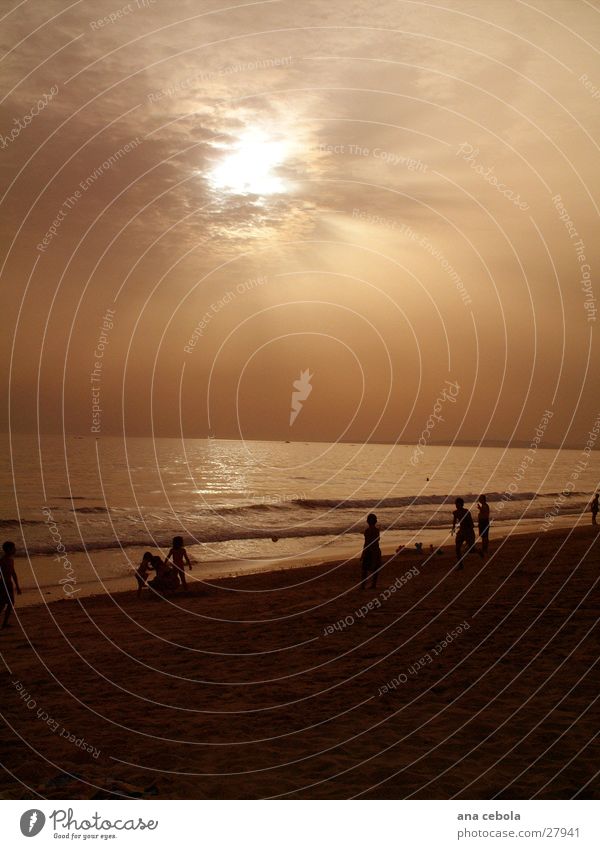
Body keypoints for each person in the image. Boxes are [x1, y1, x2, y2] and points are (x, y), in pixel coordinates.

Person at [0, 541, 21, 629]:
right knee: (2, 604)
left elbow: (13, 573)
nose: (15, 550)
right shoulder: (2, 561)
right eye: (13, 548)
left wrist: (17, 586)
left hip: (9, 584)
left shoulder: (11, 560)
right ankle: (4, 624)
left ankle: (5, 623)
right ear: (8, 549)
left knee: (10, 603)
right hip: (2, 585)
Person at [451, 498, 477, 569]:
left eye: (458, 504)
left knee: (472, 550)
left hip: (468, 531)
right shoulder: (455, 512)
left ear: (462, 504)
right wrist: (453, 529)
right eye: (456, 504)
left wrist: (470, 532)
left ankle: (479, 551)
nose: (456, 505)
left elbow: (471, 523)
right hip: (461, 531)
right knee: (457, 549)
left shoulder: (466, 512)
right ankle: (461, 565)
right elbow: (454, 521)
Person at [361, 513, 382, 590]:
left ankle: (363, 585)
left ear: (367, 521)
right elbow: (376, 541)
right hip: (375, 550)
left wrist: (363, 553)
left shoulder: (367, 531)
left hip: (369, 551)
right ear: (375, 521)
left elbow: (366, 543)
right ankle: (373, 584)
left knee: (365, 569)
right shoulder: (377, 531)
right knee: (375, 568)